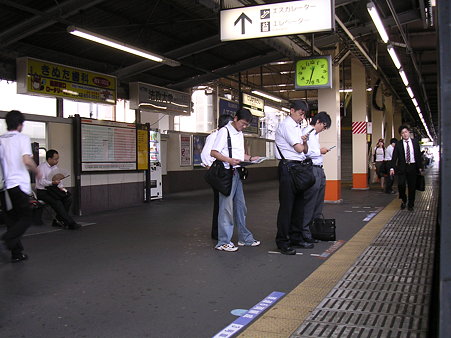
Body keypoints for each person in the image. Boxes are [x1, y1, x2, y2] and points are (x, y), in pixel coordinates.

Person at [210, 108, 261, 252]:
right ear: (236, 118)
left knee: (240, 206)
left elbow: (239, 153)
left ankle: (245, 238)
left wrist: (251, 158)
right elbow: (214, 152)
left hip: (236, 173)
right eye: (243, 124)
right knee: (226, 208)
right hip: (226, 173)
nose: (244, 127)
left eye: (246, 125)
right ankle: (223, 242)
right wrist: (229, 160)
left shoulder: (239, 133)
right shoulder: (224, 132)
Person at [0, 110, 40, 263]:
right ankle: (7, 239)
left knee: (12, 221)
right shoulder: (22, 138)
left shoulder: (1, 139)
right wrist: (37, 172)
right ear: (20, 124)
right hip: (18, 186)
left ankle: (17, 253)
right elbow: (27, 160)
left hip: (5, 188)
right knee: (26, 218)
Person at [274, 100, 313, 255]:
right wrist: (303, 144)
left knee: (299, 206)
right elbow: (299, 148)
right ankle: (283, 241)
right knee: (287, 207)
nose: (301, 117)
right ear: (292, 110)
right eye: (300, 113)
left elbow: (305, 150)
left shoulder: (297, 126)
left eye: (303, 114)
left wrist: (304, 143)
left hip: (298, 168)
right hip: (288, 167)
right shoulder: (287, 125)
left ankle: (295, 237)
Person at [201, 114, 233, 240]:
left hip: (226, 174)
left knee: (222, 204)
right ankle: (217, 232)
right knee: (220, 204)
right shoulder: (214, 136)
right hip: (219, 174)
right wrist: (213, 169)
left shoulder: (227, 136)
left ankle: (220, 231)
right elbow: (205, 155)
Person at [302, 111, 332, 242]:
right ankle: (305, 232)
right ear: (318, 121)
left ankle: (314, 229)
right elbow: (304, 152)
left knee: (318, 203)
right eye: (324, 126)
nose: (324, 129)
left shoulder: (315, 135)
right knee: (310, 202)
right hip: (311, 169)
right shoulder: (306, 132)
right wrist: (319, 151)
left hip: (319, 169)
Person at [36, 149, 80, 230]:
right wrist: (52, 183)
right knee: (57, 202)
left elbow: (59, 180)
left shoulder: (55, 167)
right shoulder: (41, 167)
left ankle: (58, 220)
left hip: (53, 189)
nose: (57, 161)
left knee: (68, 198)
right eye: (55, 159)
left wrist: (62, 188)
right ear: (49, 159)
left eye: (58, 159)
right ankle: (70, 223)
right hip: (43, 191)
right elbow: (41, 181)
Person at [390, 125, 423, 211]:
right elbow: (394, 157)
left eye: (406, 132)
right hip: (402, 167)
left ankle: (411, 204)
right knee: (401, 185)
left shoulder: (415, 142)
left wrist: (420, 167)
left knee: (412, 187)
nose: (404, 134)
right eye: (402, 133)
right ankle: (404, 200)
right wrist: (392, 168)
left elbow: (418, 156)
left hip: (412, 167)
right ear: (401, 135)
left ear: (409, 132)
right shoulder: (398, 144)